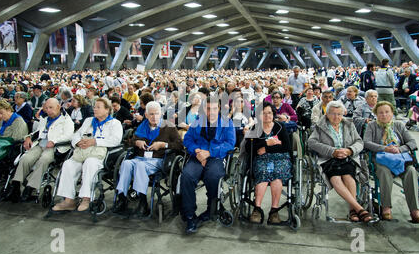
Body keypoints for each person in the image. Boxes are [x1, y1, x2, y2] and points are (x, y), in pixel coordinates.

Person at [112, 101, 183, 216]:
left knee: (140, 166)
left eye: (157, 114)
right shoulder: (142, 126)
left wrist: (163, 145)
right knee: (126, 164)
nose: (154, 117)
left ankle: (142, 201)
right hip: (140, 157)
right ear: (146, 115)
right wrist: (136, 142)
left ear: (161, 114)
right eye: (151, 114)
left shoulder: (168, 126)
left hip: (158, 160)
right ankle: (122, 197)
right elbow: (130, 143)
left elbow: (179, 145)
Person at [51, 98, 123, 213]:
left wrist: (95, 141)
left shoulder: (115, 123)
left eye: (98, 107)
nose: (94, 109)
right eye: (94, 107)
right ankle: (69, 200)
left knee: (90, 163)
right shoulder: (89, 120)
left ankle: (86, 198)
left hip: (100, 155)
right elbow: (76, 135)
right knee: (68, 164)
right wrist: (78, 142)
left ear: (107, 110)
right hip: (82, 152)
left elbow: (116, 140)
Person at [363, 101, 419, 224]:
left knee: (411, 171)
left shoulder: (399, 125)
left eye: (387, 112)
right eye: (380, 112)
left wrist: (399, 149)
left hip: (399, 159)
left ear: (392, 113)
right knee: (384, 171)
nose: (384, 115)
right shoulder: (372, 126)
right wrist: (385, 148)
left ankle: (415, 211)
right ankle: (386, 207)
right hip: (381, 159)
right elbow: (366, 143)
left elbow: (412, 143)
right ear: (376, 114)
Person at [308, 100, 372, 223]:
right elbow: (311, 142)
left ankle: (353, 210)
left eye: (339, 114)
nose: (336, 117)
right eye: (332, 113)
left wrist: (349, 150)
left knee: (349, 177)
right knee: (336, 178)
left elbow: (359, 142)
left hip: (348, 158)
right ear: (327, 113)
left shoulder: (349, 124)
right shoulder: (320, 126)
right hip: (329, 159)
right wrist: (332, 151)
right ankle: (358, 208)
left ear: (343, 114)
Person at [180, 96, 236, 234]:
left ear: (219, 109)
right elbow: (187, 139)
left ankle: (212, 206)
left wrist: (209, 152)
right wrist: (196, 150)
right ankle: (190, 215)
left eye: (214, 109)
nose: (211, 112)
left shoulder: (227, 122)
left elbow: (230, 143)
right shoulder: (197, 122)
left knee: (213, 176)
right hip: (197, 156)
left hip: (216, 157)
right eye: (208, 108)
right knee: (186, 176)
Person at [5, 99, 74, 202]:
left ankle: (30, 188)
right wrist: (28, 137)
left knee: (43, 160)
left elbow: (69, 136)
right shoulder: (44, 118)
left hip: (54, 147)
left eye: (51, 108)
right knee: (25, 158)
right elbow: (38, 132)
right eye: (46, 108)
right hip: (40, 144)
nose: (48, 110)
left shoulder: (67, 120)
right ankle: (15, 186)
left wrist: (54, 141)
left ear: (58, 107)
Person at [244, 102, 293, 224]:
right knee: (262, 172)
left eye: (270, 113)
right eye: (263, 113)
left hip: (280, 158)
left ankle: (274, 211)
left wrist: (266, 148)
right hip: (262, 159)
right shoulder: (255, 129)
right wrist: (269, 143)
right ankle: (257, 208)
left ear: (273, 114)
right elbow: (249, 148)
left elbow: (286, 147)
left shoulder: (280, 127)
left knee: (277, 174)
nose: (267, 116)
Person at [0, 101, 28, 196]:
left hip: (8, 148)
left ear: (9, 110)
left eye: (1, 113)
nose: (0, 116)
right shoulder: (2, 121)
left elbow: (16, 139)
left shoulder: (18, 121)